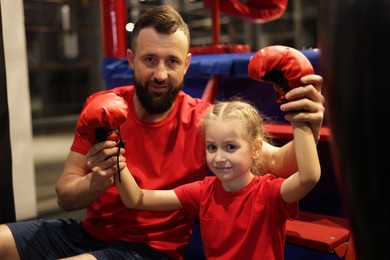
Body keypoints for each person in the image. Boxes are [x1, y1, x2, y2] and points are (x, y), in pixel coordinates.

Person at [0, 4, 325, 260]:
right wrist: (95, 181)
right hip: (88, 233)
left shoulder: (204, 123)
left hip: (150, 250)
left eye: (171, 61)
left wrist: (305, 119)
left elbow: (282, 163)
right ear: (130, 59)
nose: (160, 73)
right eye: (150, 59)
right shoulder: (104, 110)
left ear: (186, 64)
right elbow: (64, 194)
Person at [116, 98, 321, 259]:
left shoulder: (268, 192)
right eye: (212, 147)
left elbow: (308, 177)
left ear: (256, 149)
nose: (219, 157)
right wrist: (114, 155)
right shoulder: (203, 191)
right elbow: (137, 199)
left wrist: (299, 121)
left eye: (231, 147)